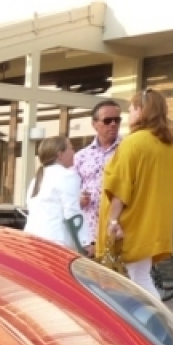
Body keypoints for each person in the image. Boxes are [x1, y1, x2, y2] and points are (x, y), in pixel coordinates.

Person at [97, 89, 173, 295]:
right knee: (141, 275)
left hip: (131, 222)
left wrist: (113, 221)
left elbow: (121, 186)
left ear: (142, 110)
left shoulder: (133, 143)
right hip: (154, 222)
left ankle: (155, 323)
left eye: (132, 108)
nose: (130, 114)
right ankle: (152, 322)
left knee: (134, 280)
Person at [74, 100, 122, 255]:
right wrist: (78, 198)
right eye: (108, 121)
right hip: (89, 233)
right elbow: (70, 191)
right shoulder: (81, 156)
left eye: (117, 120)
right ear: (94, 124)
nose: (113, 124)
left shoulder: (128, 151)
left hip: (118, 231)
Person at [24, 136, 85, 250]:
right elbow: (72, 212)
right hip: (56, 241)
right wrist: (84, 243)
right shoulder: (68, 176)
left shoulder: (35, 180)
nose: (74, 152)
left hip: (32, 239)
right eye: (71, 149)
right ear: (60, 154)